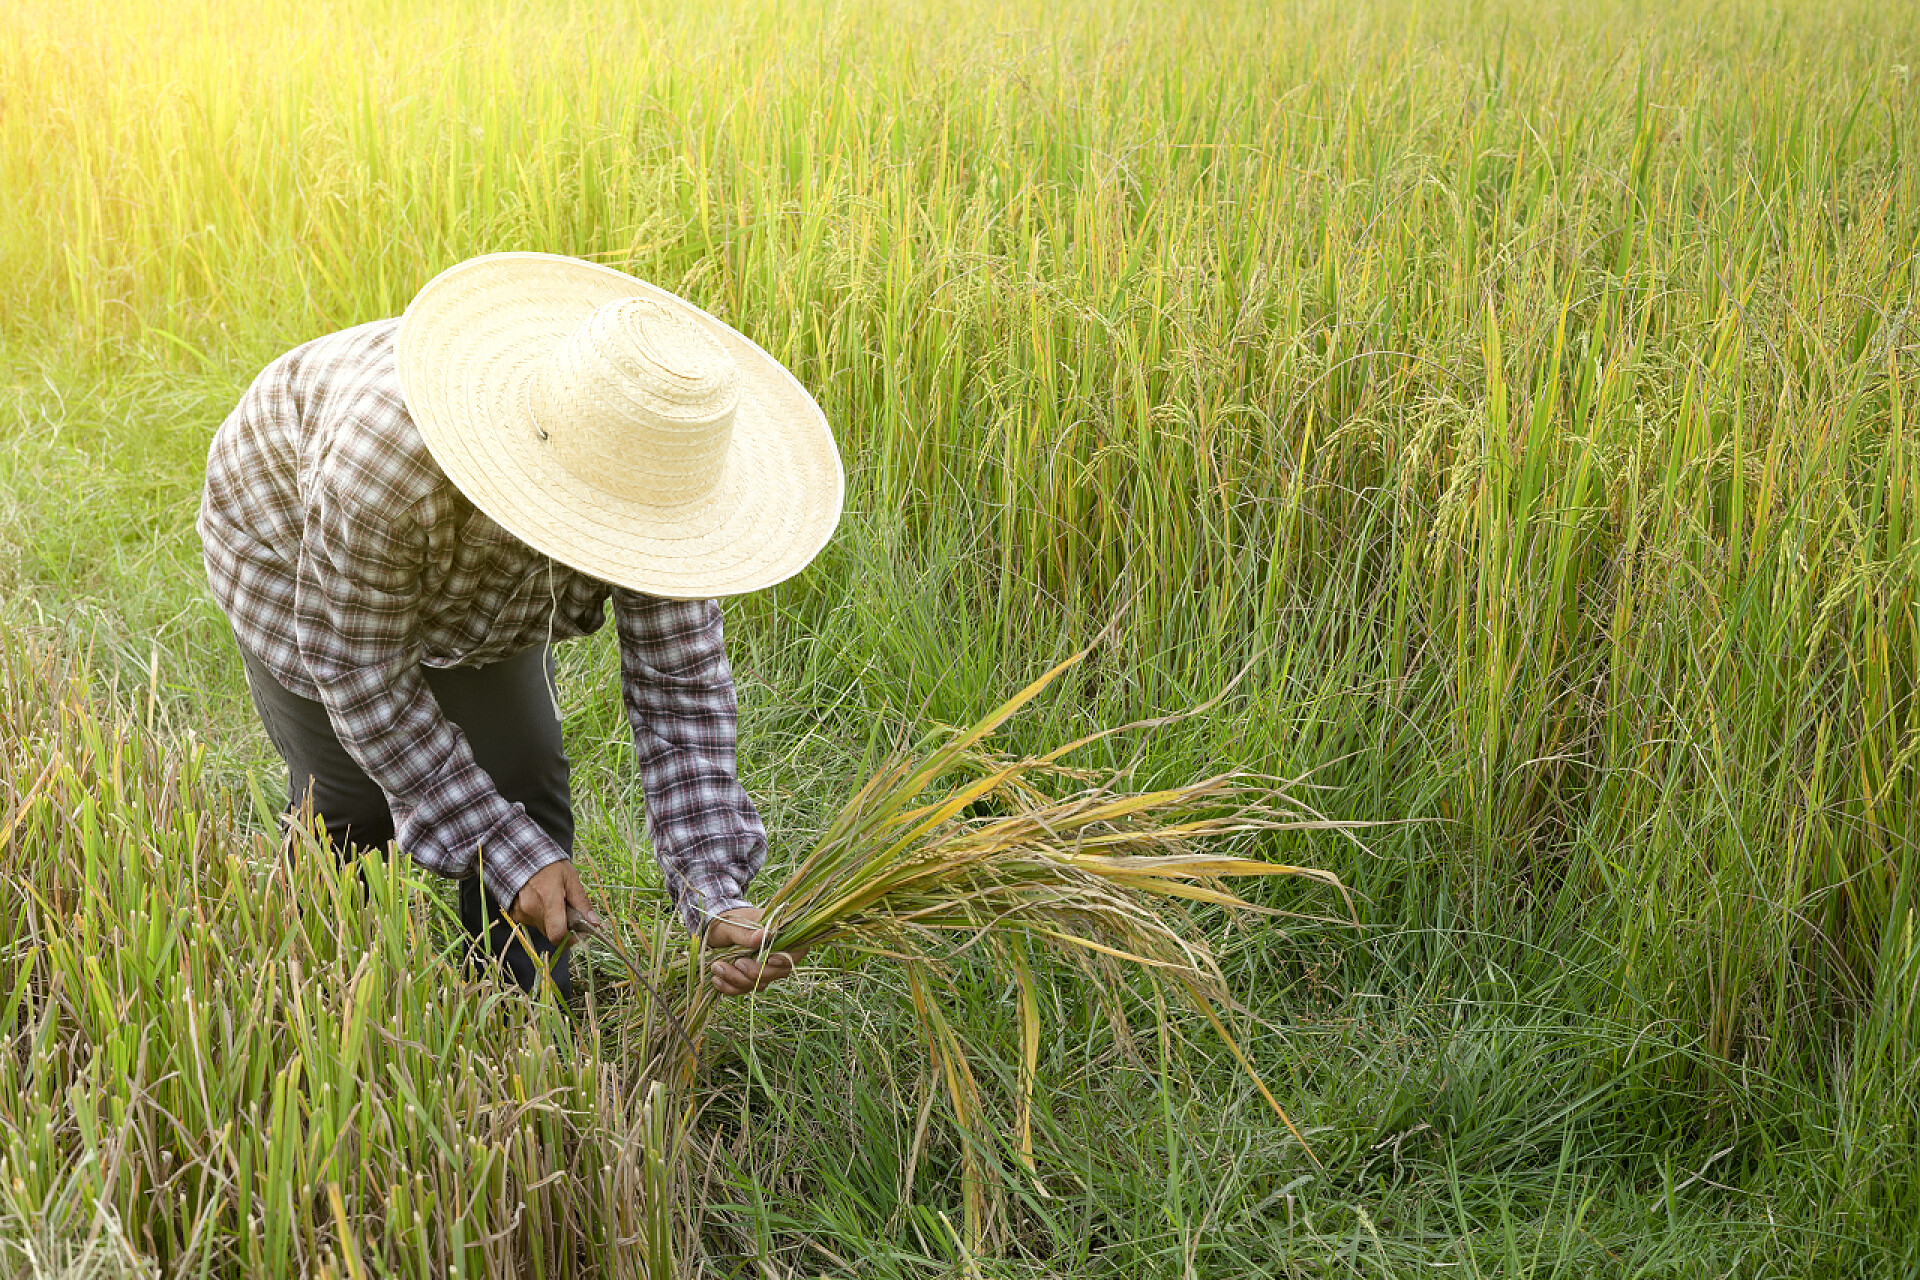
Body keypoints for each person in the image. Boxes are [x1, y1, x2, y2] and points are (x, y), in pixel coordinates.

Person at [197, 252, 844, 1003]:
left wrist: (713, 890)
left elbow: (680, 686)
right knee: (351, 806)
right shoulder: (382, 468)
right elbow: (360, 672)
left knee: (526, 777)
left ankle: (522, 1014)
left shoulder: (659, 468)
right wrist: (497, 844)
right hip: (288, 549)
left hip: (466, 587)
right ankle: (312, 997)